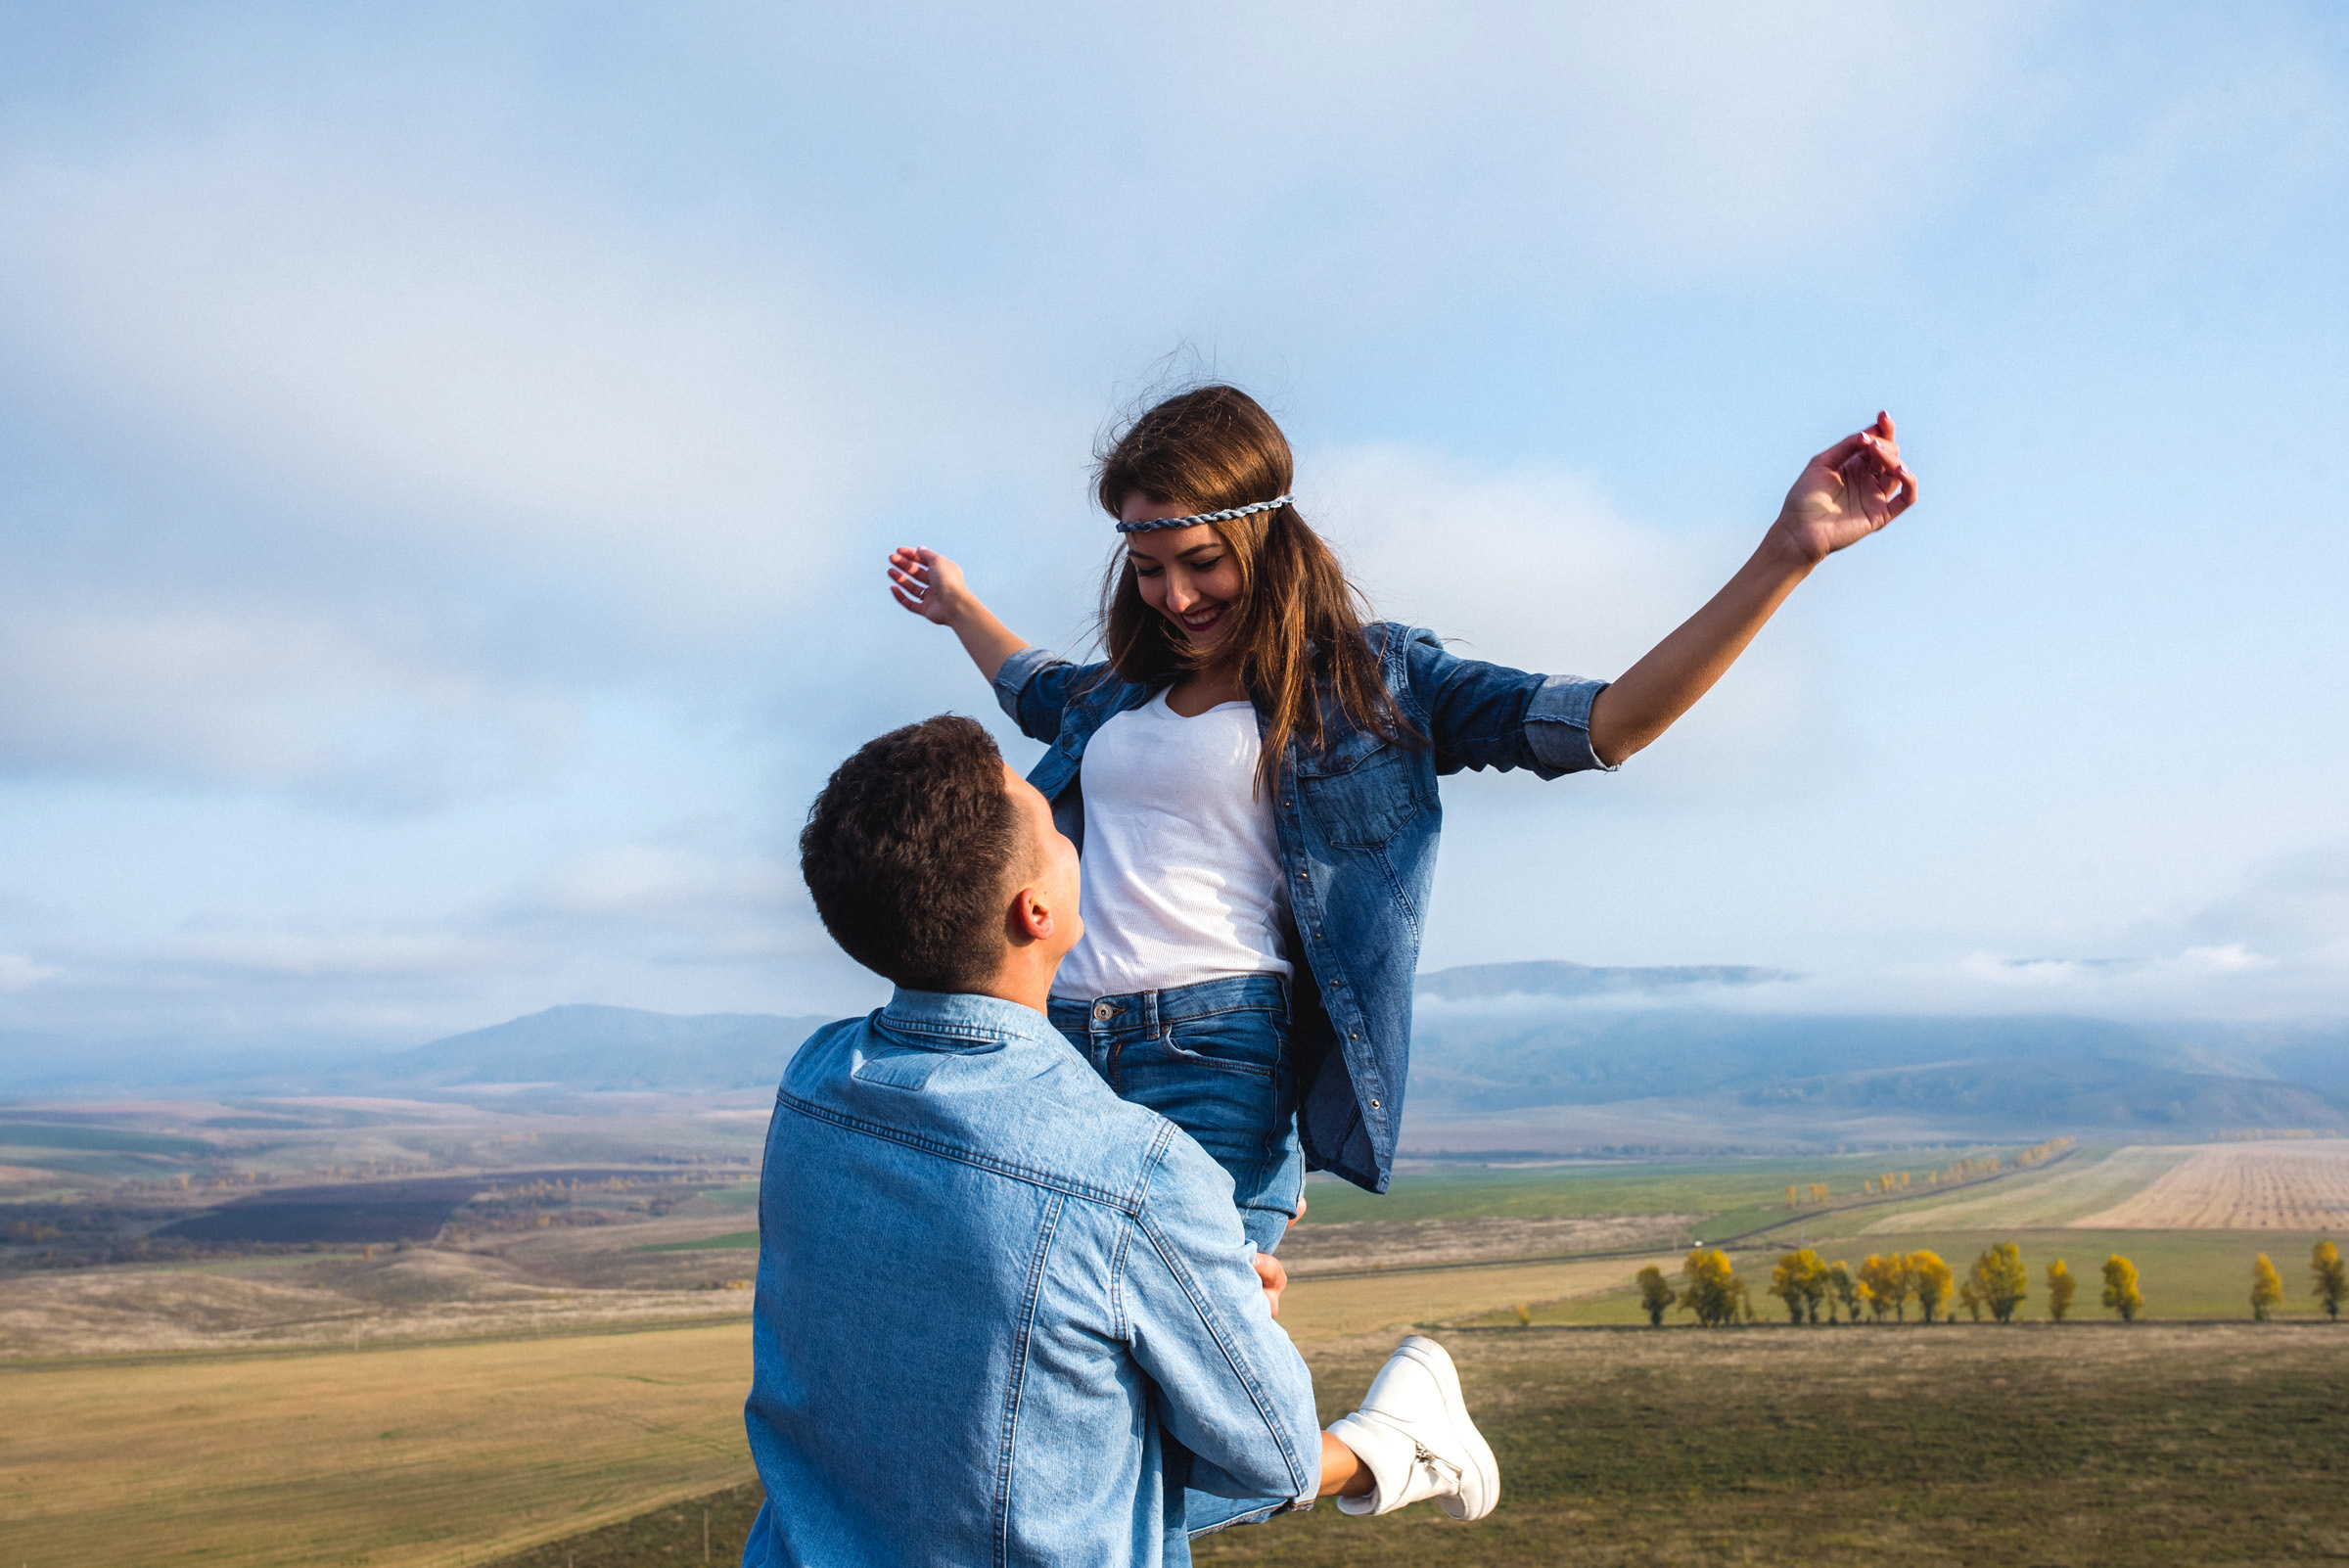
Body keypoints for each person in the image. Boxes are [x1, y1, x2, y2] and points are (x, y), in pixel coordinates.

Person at [886, 386, 1919, 1245]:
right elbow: (1033, 683)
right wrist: (957, 605)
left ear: (1268, 535)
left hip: (1215, 1059)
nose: (1174, 596)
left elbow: (1604, 724)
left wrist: (1790, 550)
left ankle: (1383, 1451)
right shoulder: (1115, 696)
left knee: (1175, 1380)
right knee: (1050, 1364)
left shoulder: (1376, 685)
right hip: (1055, 1047)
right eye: (1149, 569)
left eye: (1201, 562)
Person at [741, 715, 1498, 1566]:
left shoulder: (812, 1081)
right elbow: (1274, 1452)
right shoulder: (1131, 1175)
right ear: (1036, 910)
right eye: (1056, 827)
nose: (1077, 836)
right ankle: (1394, 1445)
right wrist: (1219, 1308)